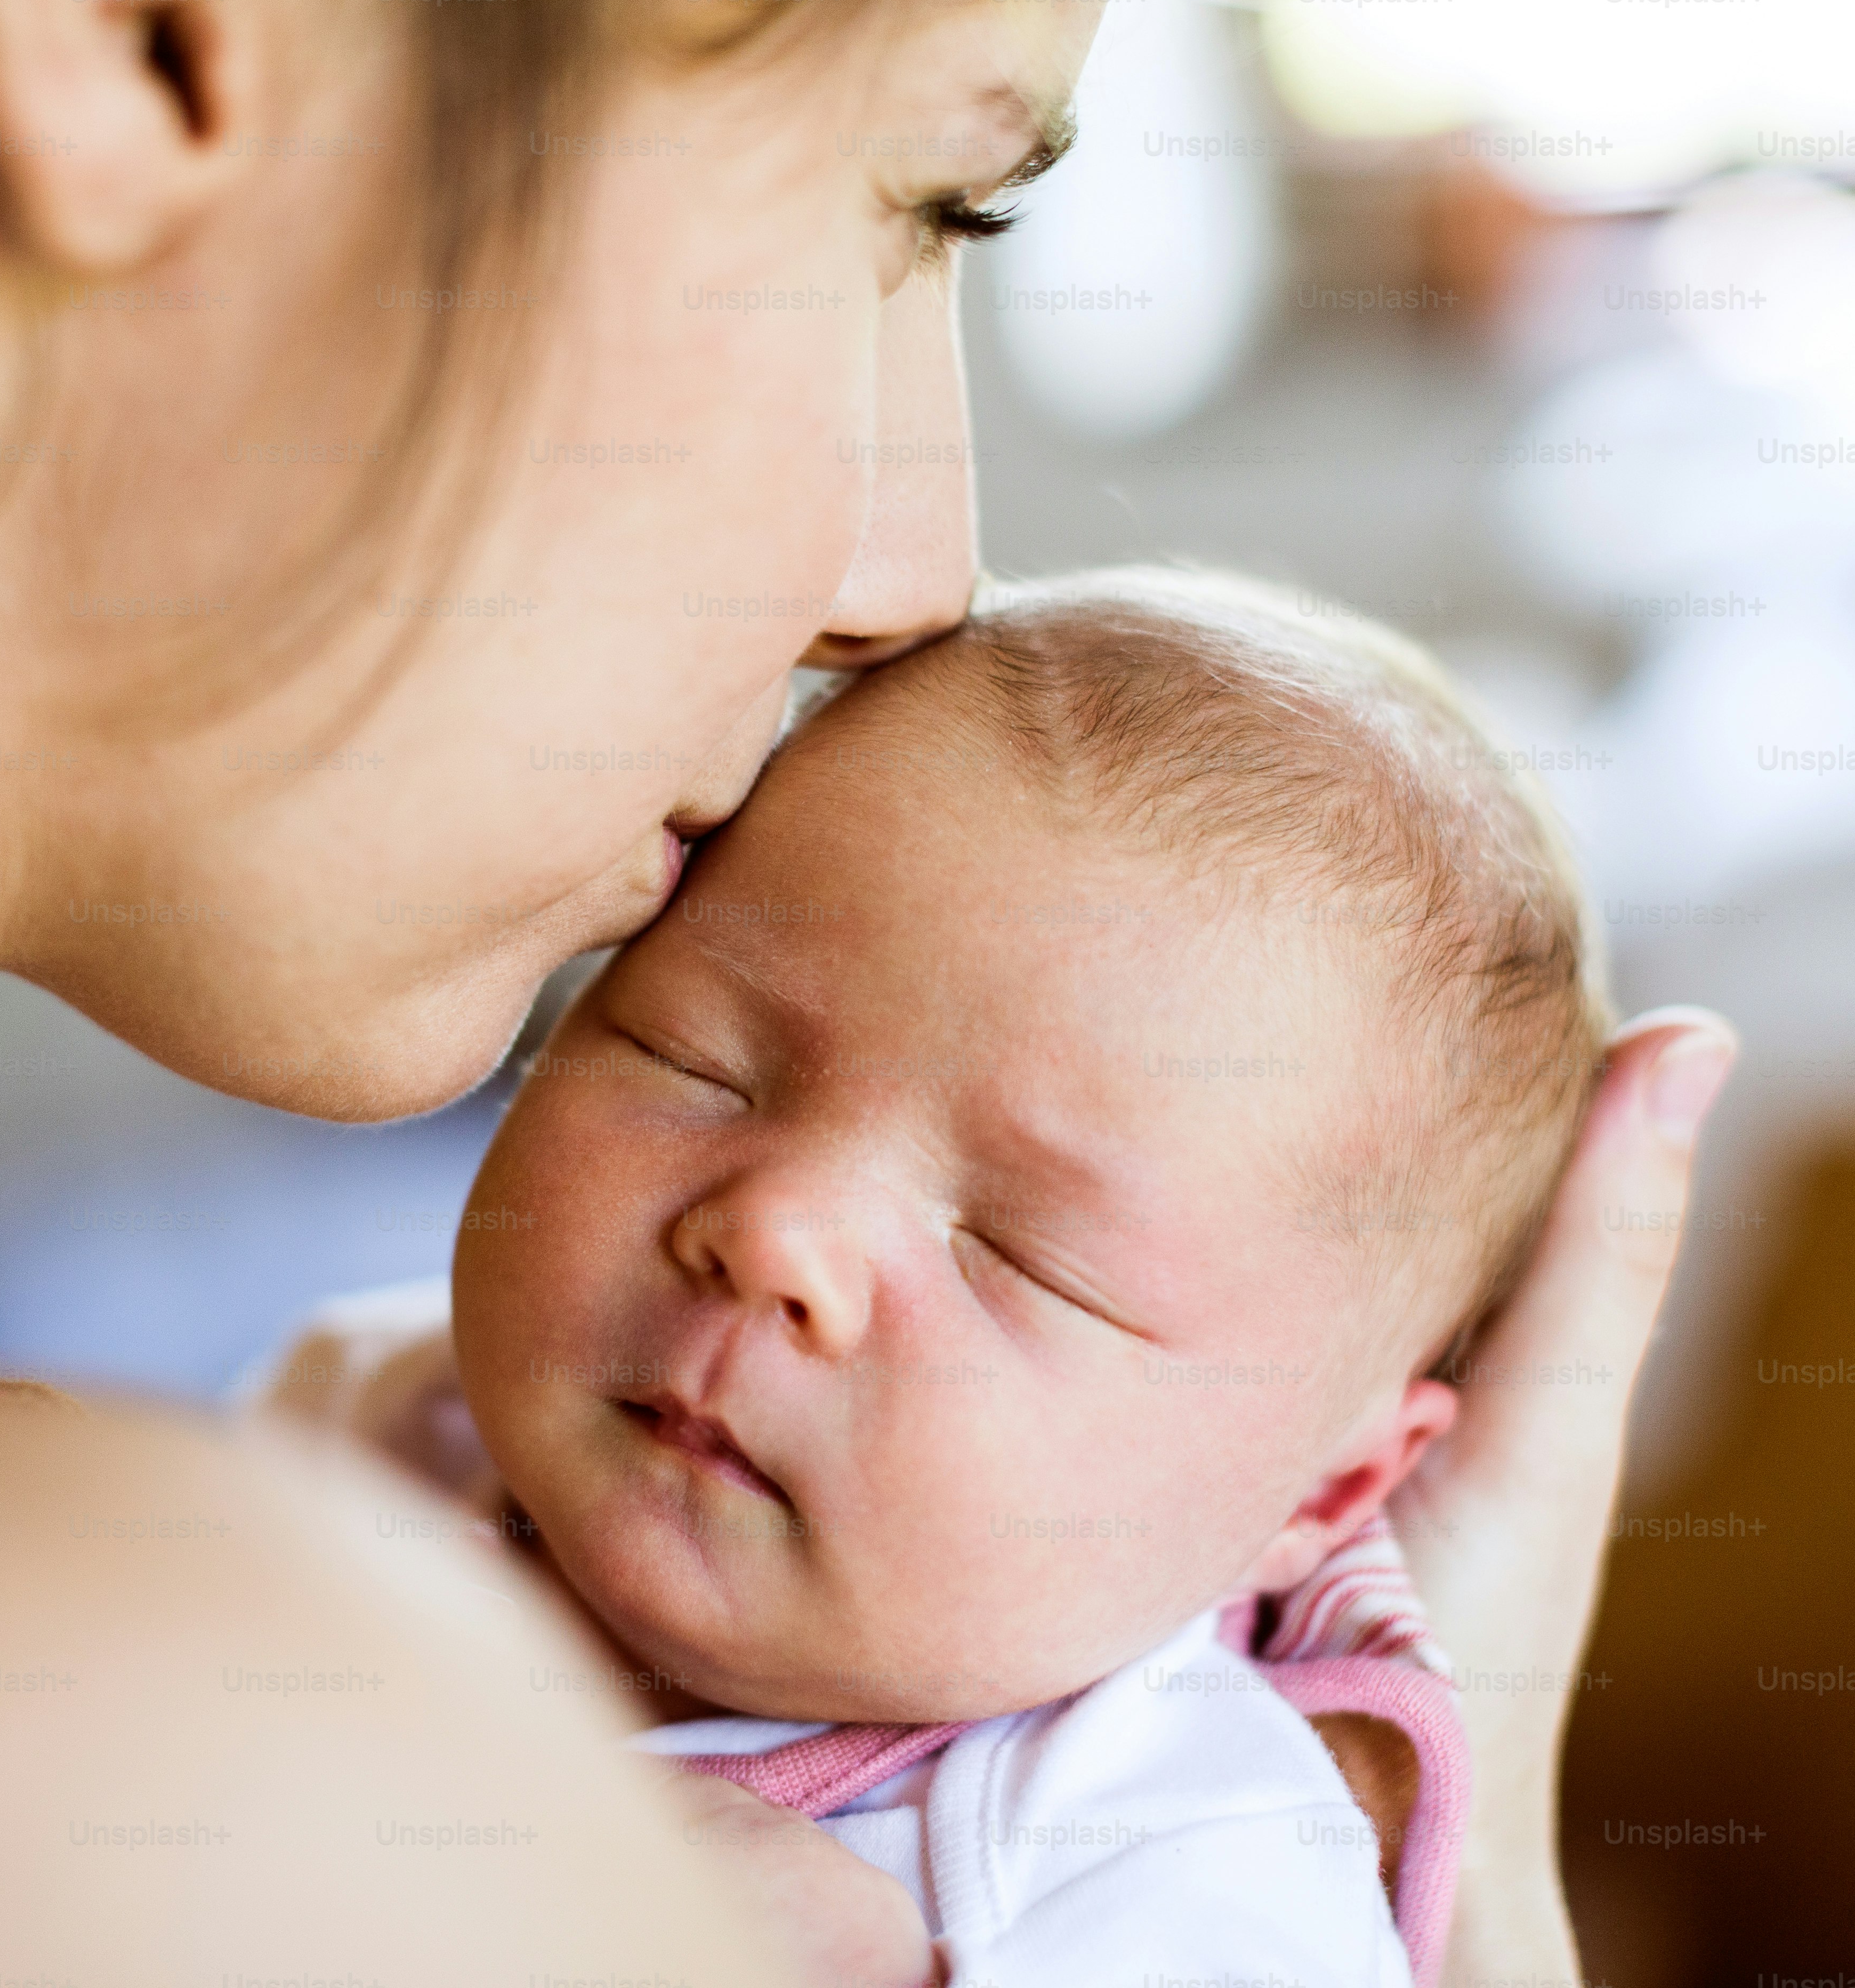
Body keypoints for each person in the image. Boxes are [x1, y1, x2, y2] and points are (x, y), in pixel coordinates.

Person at [0, 0, 1737, 1981]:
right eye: (917, 205)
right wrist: (1462, 1890)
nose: (915, 568)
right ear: (155, 12)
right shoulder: (144, 1801)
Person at [258, 569, 1616, 1988]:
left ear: (1322, 1496)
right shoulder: (371, 1409)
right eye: (695, 1063)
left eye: (1021, 1255)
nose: (782, 1232)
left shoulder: (1169, 1849)